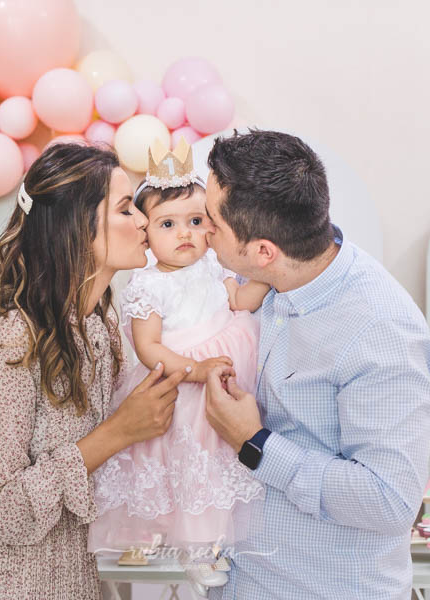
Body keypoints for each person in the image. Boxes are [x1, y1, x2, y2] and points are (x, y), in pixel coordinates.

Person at [0, 143, 187, 600]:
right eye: (126, 210)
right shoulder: (10, 336)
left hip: (65, 577)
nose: (144, 221)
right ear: (77, 229)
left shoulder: (99, 327)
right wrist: (119, 432)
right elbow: (4, 508)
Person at [201, 130, 430, 600]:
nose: (200, 229)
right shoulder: (270, 278)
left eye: (211, 221)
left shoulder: (380, 331)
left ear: (263, 250)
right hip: (241, 581)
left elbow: (390, 500)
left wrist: (255, 444)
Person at [88, 140, 268, 595]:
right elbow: (148, 349)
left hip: (224, 375)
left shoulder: (214, 265)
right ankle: (190, 549)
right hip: (181, 382)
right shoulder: (147, 285)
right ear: (146, 233)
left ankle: (215, 545)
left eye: (195, 221)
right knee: (186, 465)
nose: (185, 233)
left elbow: (238, 301)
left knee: (218, 465)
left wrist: (268, 279)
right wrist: (195, 368)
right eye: (168, 224)